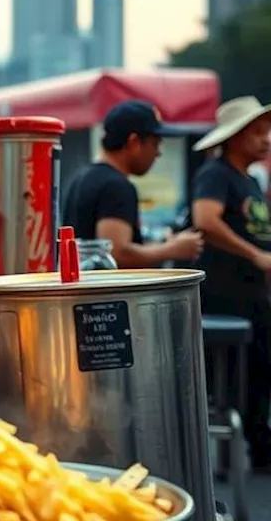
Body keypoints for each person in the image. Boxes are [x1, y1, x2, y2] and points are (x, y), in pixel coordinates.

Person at [189, 95, 271, 468]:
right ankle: (241, 454)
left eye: (266, 131)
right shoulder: (216, 174)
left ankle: (257, 445)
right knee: (237, 380)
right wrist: (255, 255)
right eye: (257, 132)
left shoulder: (250, 181)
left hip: (253, 294)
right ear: (234, 137)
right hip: (224, 297)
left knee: (259, 373)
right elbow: (205, 220)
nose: (266, 139)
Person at [62, 100, 204, 268]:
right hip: (108, 293)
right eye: (155, 143)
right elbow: (116, 253)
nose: (158, 153)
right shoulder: (116, 186)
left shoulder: (82, 177)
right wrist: (171, 249)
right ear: (134, 142)